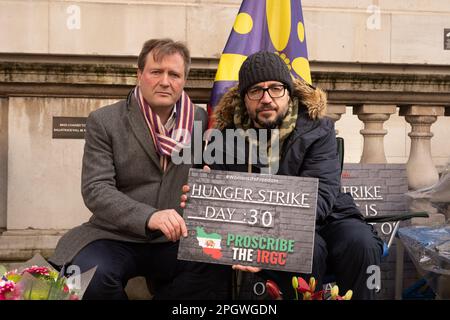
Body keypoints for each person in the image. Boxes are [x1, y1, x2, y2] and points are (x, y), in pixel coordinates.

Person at [182, 51, 384, 299]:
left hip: (329, 216)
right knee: (309, 251)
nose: (266, 98)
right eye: (256, 91)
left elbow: (321, 196)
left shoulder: (318, 129)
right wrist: (204, 201)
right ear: (244, 98)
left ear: (288, 93)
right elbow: (224, 211)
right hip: (259, 227)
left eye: (275, 88)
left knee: (360, 243)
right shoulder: (225, 139)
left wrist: (266, 241)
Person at [49, 38, 230, 300]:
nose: (165, 81)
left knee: (216, 265)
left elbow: (209, 177)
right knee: (85, 276)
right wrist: (149, 216)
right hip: (115, 235)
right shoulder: (105, 121)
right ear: (139, 75)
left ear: (184, 81)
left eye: (174, 74)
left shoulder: (200, 120)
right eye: (156, 72)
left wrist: (207, 189)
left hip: (176, 239)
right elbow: (96, 189)